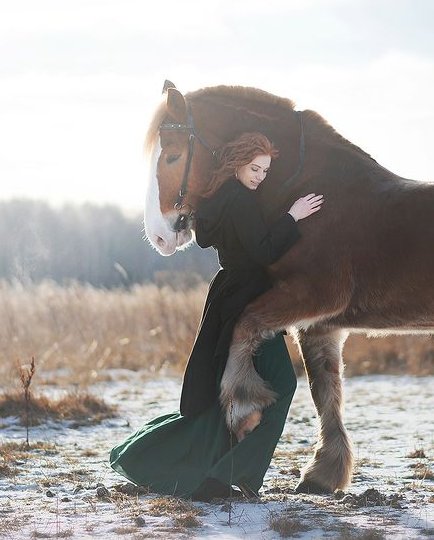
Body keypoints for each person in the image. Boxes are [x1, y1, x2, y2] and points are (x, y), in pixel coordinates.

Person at [110, 132, 323, 500]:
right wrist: (293, 215)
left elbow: (223, 241)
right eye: (255, 168)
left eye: (265, 171)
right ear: (238, 162)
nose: (260, 176)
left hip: (230, 297)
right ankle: (234, 473)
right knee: (283, 384)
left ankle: (191, 471)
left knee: (221, 394)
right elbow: (264, 250)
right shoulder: (240, 201)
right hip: (251, 307)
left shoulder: (220, 199)